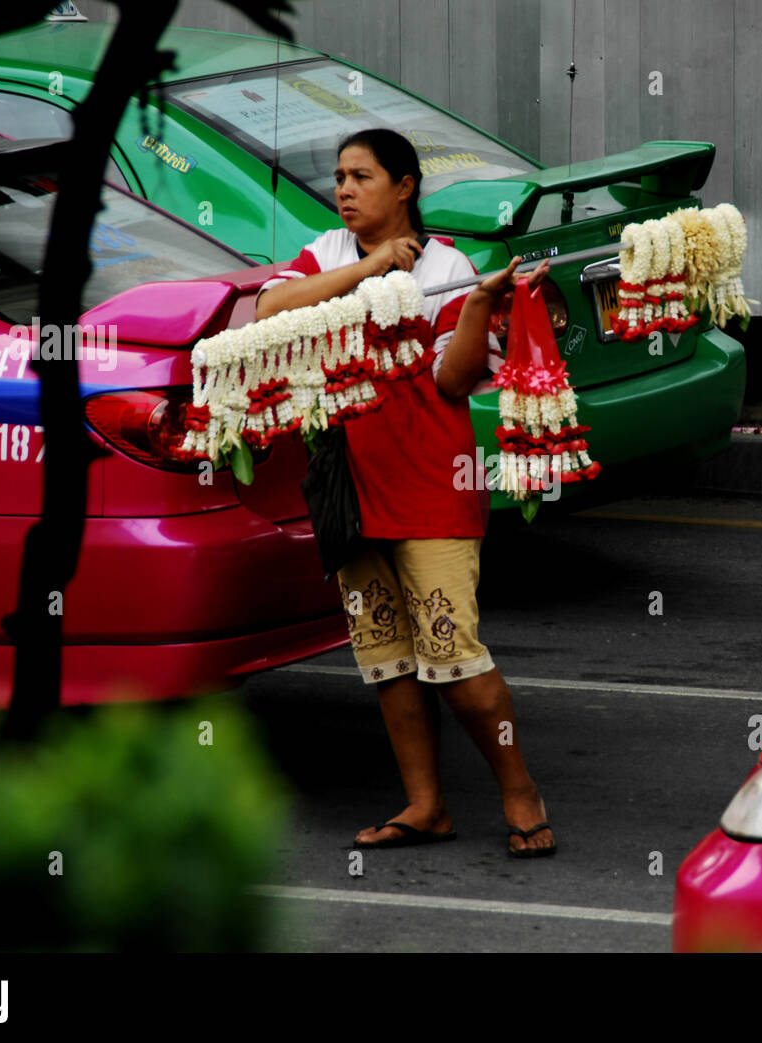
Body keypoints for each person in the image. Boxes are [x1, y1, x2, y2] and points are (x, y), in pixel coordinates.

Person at [255, 128, 556, 857]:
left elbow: (453, 380)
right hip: (349, 490)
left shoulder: (450, 267)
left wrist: (481, 303)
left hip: (430, 486)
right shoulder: (326, 254)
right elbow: (270, 313)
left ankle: (521, 791)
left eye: (362, 176)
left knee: (454, 656)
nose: (345, 190)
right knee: (386, 659)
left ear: (405, 187)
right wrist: (369, 271)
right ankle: (426, 805)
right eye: (339, 177)